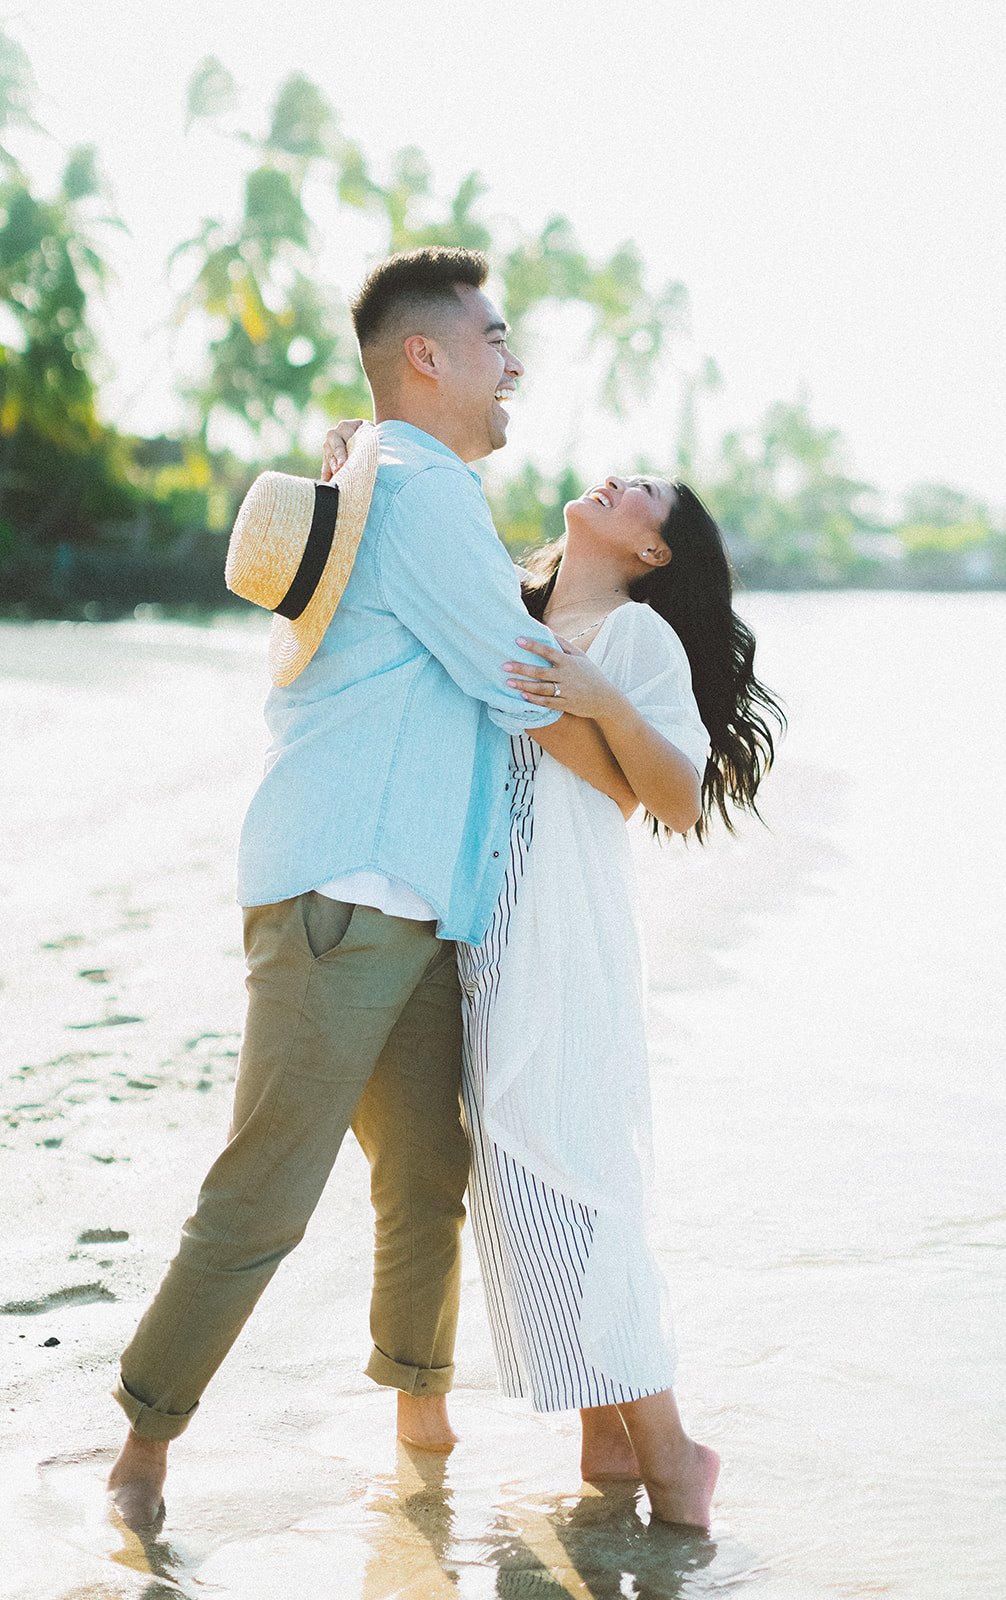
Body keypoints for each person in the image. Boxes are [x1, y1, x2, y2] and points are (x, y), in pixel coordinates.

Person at [106, 247, 633, 1528]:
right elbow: (516, 676)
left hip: (406, 898)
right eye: (495, 338)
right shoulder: (420, 485)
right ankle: (140, 1449)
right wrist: (642, 763)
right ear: (426, 358)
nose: (514, 364)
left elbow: (488, 650)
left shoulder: (404, 484)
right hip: (347, 891)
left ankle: (422, 1422)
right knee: (268, 1184)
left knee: (428, 1169)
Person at [457, 473, 783, 1528]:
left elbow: (676, 800)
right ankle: (604, 1436)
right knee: (515, 1174)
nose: (615, 479)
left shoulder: (634, 638)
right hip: (483, 925)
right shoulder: (509, 610)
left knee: (574, 1172)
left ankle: (675, 1453)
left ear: (652, 552)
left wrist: (597, 700)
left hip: (561, 931)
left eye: (641, 492)